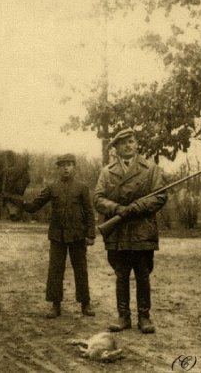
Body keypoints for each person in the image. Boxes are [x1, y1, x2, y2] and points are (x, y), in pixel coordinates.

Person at [94, 128, 167, 334]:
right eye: (123, 142)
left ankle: (144, 317)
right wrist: (117, 209)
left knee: (143, 274)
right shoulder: (106, 171)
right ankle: (123, 316)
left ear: (137, 145)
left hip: (142, 230)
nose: (128, 145)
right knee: (121, 274)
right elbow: (98, 199)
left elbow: (160, 196)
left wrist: (138, 207)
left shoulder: (151, 169)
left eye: (132, 141)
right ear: (115, 148)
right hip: (118, 231)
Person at [23, 154, 96, 318]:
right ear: (59, 168)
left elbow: (90, 213)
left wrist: (90, 234)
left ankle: (85, 304)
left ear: (74, 167)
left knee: (81, 270)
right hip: (57, 236)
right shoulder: (52, 187)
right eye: (63, 165)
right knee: (55, 270)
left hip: (78, 236)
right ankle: (55, 305)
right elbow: (35, 204)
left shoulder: (82, 188)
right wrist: (21, 203)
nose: (66, 168)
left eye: (69, 164)